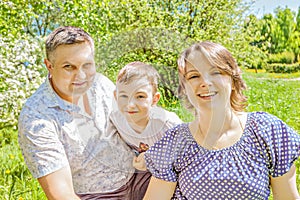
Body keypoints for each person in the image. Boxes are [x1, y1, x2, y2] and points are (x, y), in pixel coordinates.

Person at [143, 41, 300, 199]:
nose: (205, 82)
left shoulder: (268, 131)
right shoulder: (174, 143)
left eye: (215, 72)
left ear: (233, 80)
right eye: (194, 76)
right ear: (185, 87)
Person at [18, 26, 149, 200]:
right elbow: (62, 194)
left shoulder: (100, 84)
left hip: (139, 175)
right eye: (68, 67)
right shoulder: (36, 118)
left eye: (87, 65)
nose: (81, 76)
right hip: (97, 195)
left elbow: (135, 125)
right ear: (49, 66)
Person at [108, 61, 182, 171]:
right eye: (124, 96)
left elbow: (185, 153)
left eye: (140, 96)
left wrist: (152, 158)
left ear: (154, 99)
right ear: (116, 96)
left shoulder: (166, 124)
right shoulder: (115, 118)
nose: (130, 105)